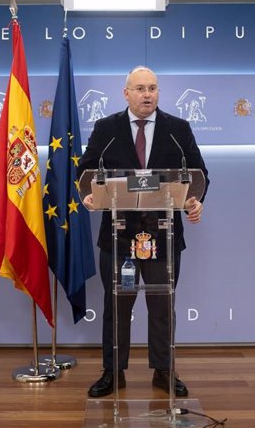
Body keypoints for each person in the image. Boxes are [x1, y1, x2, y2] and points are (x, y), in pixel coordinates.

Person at [77, 66, 210, 398]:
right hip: (119, 237)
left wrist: (195, 202)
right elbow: (86, 170)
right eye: (139, 88)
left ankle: (164, 370)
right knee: (116, 306)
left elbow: (198, 173)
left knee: (162, 304)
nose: (147, 94)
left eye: (152, 88)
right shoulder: (106, 128)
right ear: (126, 93)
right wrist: (88, 195)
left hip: (162, 236)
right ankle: (113, 372)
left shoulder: (178, 129)